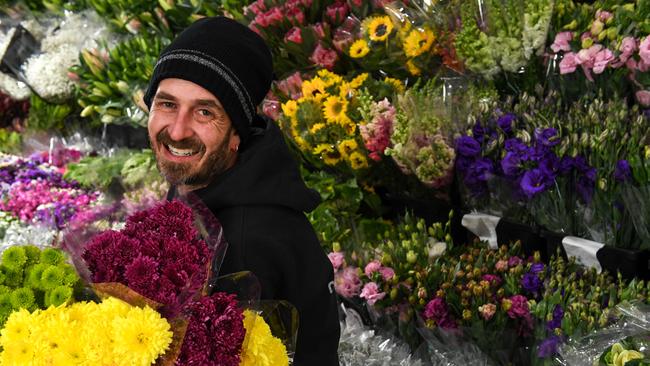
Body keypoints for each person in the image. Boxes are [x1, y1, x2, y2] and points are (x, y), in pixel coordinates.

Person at [142, 16, 340, 365]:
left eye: (205, 112)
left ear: (237, 135)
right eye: (167, 104)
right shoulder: (210, 183)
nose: (176, 131)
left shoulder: (244, 244)